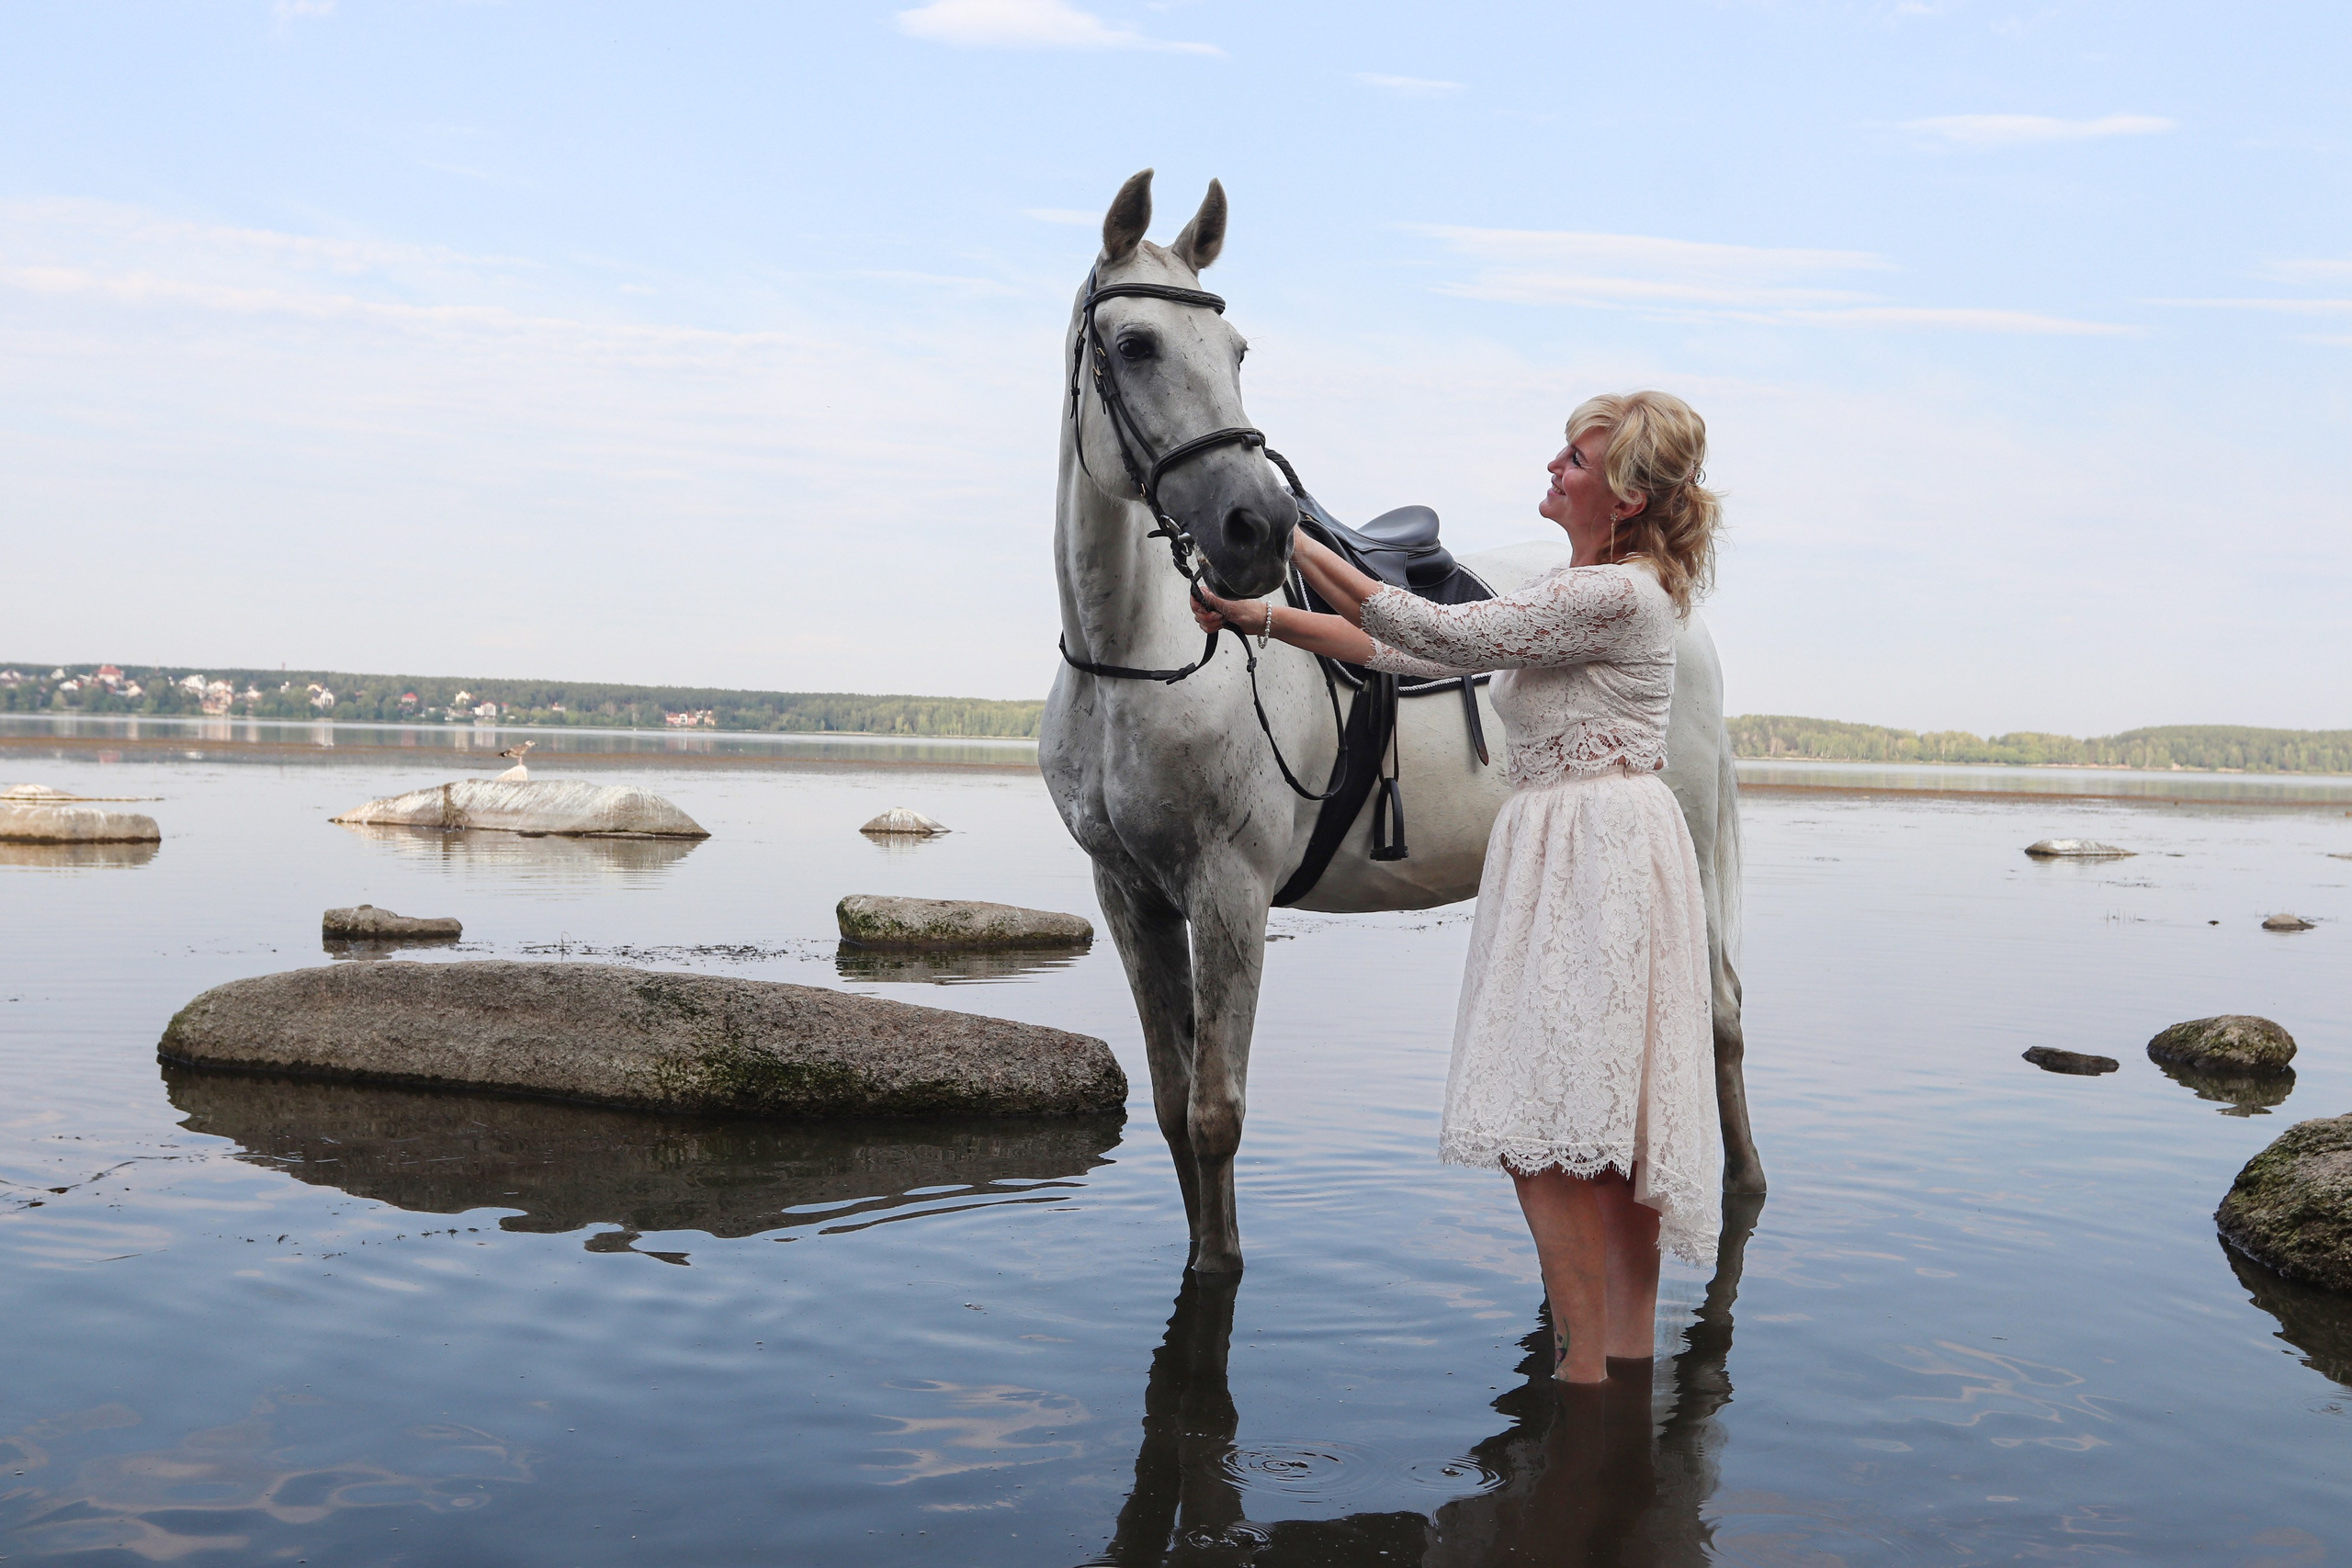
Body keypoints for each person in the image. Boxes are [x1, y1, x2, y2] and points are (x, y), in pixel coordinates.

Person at [1193, 390, 1724, 1383]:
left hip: (1592, 848)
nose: (1554, 466)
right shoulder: (1588, 590)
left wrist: (1290, 533)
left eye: (1576, 460)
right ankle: (1617, 1384)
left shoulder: (1613, 595)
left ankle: (1582, 1373)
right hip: (1584, 842)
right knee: (1594, 1131)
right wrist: (1259, 616)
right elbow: (1396, 651)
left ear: (1625, 497)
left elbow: (1441, 633)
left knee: (1544, 1129)